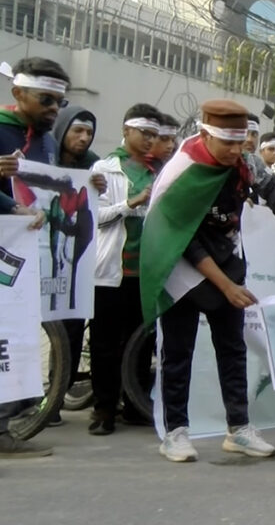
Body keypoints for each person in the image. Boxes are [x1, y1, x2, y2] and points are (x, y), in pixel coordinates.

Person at [140, 99, 275, 462]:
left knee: (233, 348)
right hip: (181, 260)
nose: (237, 150)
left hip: (225, 253)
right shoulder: (182, 170)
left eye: (242, 141)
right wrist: (226, 287)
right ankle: (175, 432)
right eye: (228, 143)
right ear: (205, 135)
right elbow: (185, 240)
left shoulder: (247, 163)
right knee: (178, 351)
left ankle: (239, 429)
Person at [0, 56, 71, 459]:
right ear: (18, 93)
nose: (53, 109)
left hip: (27, 254)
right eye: (46, 99)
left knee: (17, 336)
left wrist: (90, 186)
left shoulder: (46, 140)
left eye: (59, 102)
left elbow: (53, 187)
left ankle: (7, 421)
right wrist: (10, 205)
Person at [87, 103, 162, 435]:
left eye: (154, 135)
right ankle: (103, 409)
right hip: (110, 271)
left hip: (144, 273)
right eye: (144, 133)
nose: (149, 140)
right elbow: (94, 218)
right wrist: (131, 203)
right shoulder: (104, 169)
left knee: (140, 342)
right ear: (126, 130)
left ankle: (134, 405)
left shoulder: (158, 172)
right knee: (105, 343)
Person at [48, 104, 105, 427]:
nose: (84, 138)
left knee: (69, 331)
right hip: (41, 251)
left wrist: (100, 188)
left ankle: (54, 399)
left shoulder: (93, 165)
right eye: (78, 131)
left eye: (89, 133)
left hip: (73, 261)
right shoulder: (43, 156)